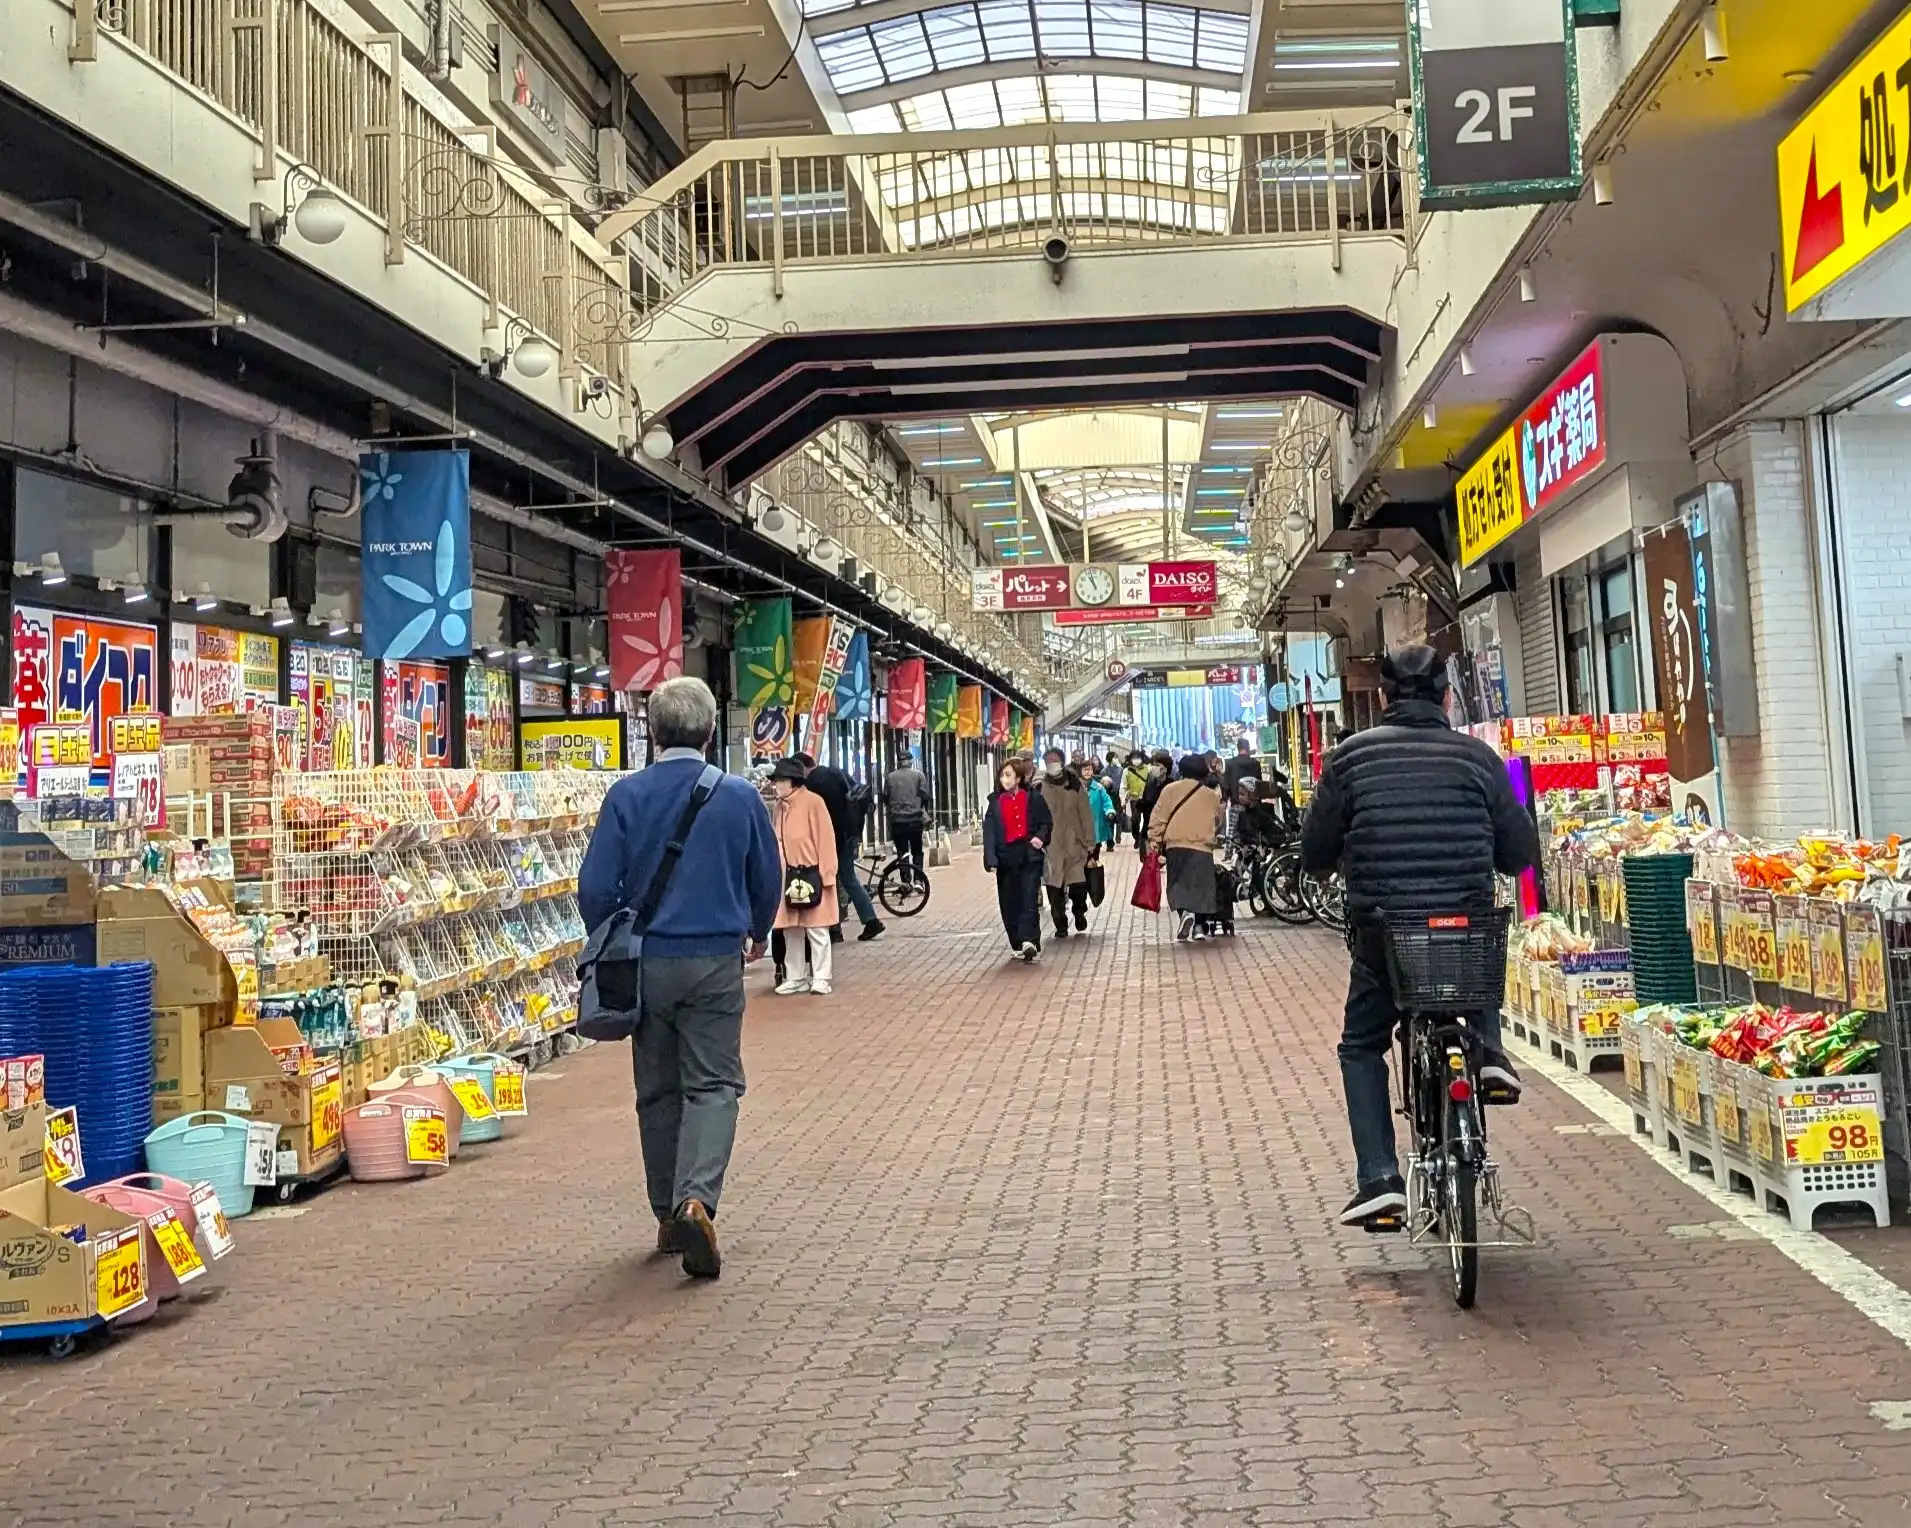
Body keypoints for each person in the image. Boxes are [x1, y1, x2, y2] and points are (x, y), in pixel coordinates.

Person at [1300, 643, 1539, 1228]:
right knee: (1471, 948)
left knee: (1362, 1044)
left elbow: (1313, 856)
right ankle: (1487, 1053)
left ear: (1382, 697)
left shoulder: (1348, 761)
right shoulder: (1479, 759)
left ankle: (1379, 1179)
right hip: (1463, 927)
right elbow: (1519, 853)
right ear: (1447, 696)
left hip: (1385, 929)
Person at [577, 676, 781, 1280]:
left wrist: (616, 935)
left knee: (657, 1088)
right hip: (715, 959)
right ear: (712, 731)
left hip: (646, 966)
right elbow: (765, 874)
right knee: (714, 1084)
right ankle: (698, 1200)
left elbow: (594, 887)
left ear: (653, 731)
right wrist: (757, 929)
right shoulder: (740, 796)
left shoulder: (626, 795)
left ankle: (667, 1213)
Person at [768, 757, 840, 996]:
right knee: (791, 929)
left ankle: (821, 976)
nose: (777, 785)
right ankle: (795, 975)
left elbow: (826, 839)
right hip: (787, 876)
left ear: (794, 782)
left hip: (811, 873)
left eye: (781, 780)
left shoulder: (813, 802)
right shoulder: (779, 807)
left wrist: (827, 873)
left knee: (817, 928)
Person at [795, 752, 883, 943]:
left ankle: (841, 927)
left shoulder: (813, 784)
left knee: (833, 880)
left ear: (803, 767)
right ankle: (865, 921)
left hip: (833, 838)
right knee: (846, 877)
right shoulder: (835, 772)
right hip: (850, 833)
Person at [1149, 754, 1226, 941]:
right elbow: (1219, 821)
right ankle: (1199, 927)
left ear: (1181, 770)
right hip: (1202, 846)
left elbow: (1159, 816)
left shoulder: (1170, 790)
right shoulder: (1211, 795)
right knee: (1201, 887)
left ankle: (1185, 915)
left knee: (1178, 884)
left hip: (1176, 844)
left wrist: (1154, 839)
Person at [983, 757, 1051, 962]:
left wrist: (1040, 837)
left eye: (1009, 775)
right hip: (1005, 858)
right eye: (1002, 775)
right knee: (1009, 902)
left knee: (1029, 897)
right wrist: (991, 859)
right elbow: (990, 833)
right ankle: (1018, 941)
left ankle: (1029, 939)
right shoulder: (995, 802)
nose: (1004, 779)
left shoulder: (1033, 798)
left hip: (1029, 855)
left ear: (1019, 778)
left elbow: (1045, 822)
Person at [1035, 747, 1096, 939]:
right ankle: (1059, 922)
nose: (1051, 765)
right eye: (1048, 762)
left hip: (1075, 843)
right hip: (1051, 844)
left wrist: (1089, 841)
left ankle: (1079, 912)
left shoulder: (1075, 785)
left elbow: (1085, 814)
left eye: (1054, 761)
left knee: (1078, 885)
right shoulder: (1040, 787)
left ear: (1061, 762)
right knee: (1054, 885)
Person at [883, 748, 931, 879]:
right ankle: (918, 880)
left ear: (899, 762)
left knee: (902, 851)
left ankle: (905, 880)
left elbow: (886, 798)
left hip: (897, 821)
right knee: (917, 851)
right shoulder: (919, 775)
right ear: (910, 761)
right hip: (915, 819)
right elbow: (925, 796)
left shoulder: (890, 777)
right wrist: (923, 810)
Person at [1122, 752, 1152, 849]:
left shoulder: (1148, 769)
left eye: (1138, 757)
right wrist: (1123, 798)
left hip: (1146, 798)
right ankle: (1137, 838)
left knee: (1147, 820)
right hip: (1134, 799)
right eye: (1134, 758)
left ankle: (1143, 837)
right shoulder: (1127, 770)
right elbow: (1123, 785)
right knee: (1135, 821)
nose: (1136, 760)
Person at [1087, 768, 1118, 854]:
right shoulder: (1076, 787)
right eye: (1084, 769)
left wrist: (1110, 811)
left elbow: (1107, 801)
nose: (1087, 772)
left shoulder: (1099, 788)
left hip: (1099, 819)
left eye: (1088, 769)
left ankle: (1109, 844)